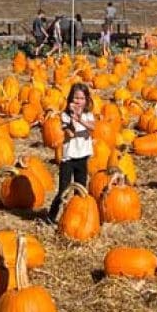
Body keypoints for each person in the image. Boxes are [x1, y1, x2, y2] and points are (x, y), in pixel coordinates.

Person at [47, 82, 95, 222]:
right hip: (69, 159)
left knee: (80, 191)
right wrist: (73, 119)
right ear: (70, 99)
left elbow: (92, 128)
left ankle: (76, 218)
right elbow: (70, 134)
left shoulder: (88, 115)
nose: (78, 101)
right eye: (75, 98)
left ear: (86, 100)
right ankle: (51, 216)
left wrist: (80, 119)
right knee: (63, 191)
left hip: (82, 158)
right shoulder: (65, 116)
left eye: (81, 98)